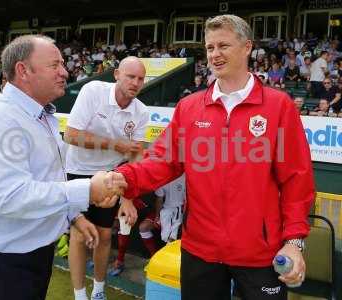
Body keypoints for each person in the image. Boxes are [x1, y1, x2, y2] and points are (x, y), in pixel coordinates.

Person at [113, 15, 315, 300]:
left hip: (259, 253)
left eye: (223, 46)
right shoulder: (189, 107)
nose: (215, 54)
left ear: (247, 47)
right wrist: (123, 179)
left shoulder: (278, 106)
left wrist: (294, 242)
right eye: (209, 48)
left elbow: (297, 180)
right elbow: (162, 161)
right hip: (200, 250)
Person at [0, 35, 125, 300]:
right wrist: (87, 189)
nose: (65, 72)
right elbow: (11, 197)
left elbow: (43, 179)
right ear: (23, 71)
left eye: (63, 64)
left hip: (26, 257)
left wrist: (73, 216)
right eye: (54, 65)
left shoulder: (39, 116)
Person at [64, 56, 149, 300]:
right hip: (78, 171)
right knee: (79, 236)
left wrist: (128, 197)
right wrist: (115, 145)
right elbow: (71, 136)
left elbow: (136, 157)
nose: (135, 82)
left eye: (140, 79)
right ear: (117, 75)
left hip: (111, 177)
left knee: (104, 236)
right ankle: (80, 295)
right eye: (130, 76)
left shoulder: (141, 111)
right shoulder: (93, 91)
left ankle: (99, 291)